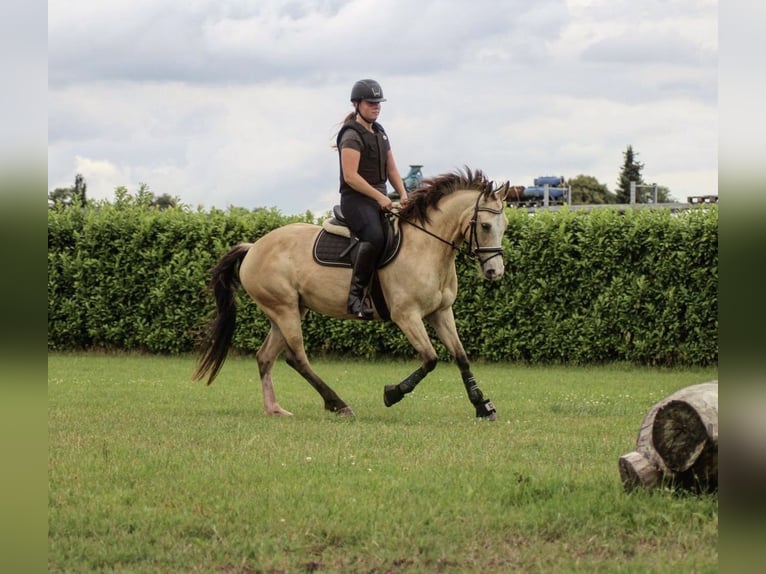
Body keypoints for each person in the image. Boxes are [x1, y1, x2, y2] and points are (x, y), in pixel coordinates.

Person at [336, 79, 409, 319]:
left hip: (379, 197)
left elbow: (392, 170)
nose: (376, 107)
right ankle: (355, 298)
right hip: (356, 199)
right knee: (375, 236)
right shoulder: (351, 135)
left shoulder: (380, 132)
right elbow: (350, 176)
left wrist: (404, 193)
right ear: (357, 104)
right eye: (371, 103)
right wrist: (380, 197)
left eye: (378, 103)